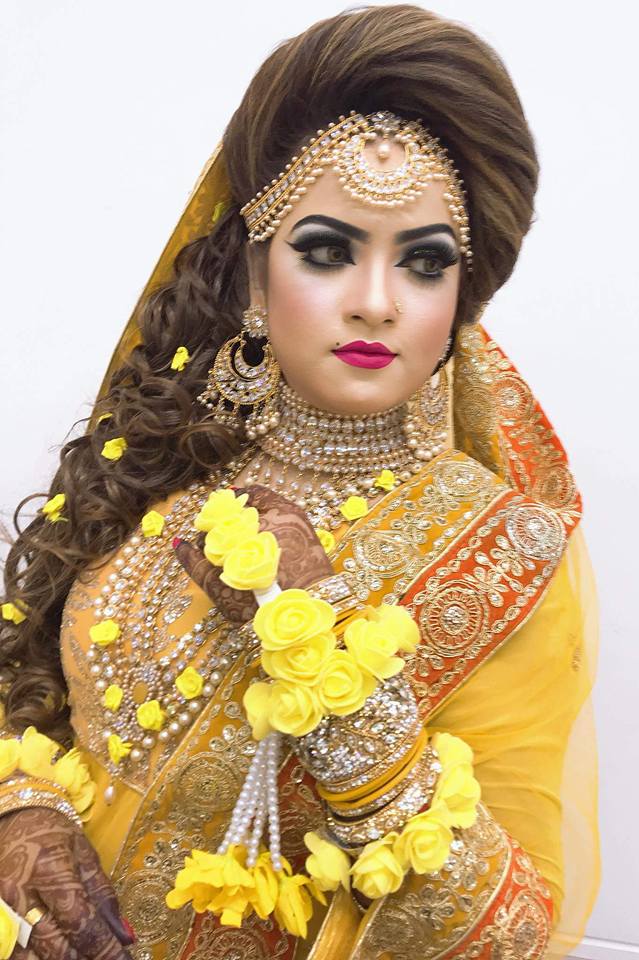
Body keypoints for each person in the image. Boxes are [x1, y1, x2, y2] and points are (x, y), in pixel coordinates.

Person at [0, 5, 600, 959]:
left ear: (461, 296)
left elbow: (512, 934)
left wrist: (332, 669)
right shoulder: (159, 459)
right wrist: (22, 812)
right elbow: (24, 685)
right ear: (252, 274)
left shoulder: (505, 556)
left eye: (425, 262)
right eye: (327, 251)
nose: (376, 300)